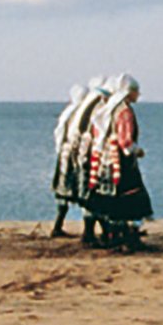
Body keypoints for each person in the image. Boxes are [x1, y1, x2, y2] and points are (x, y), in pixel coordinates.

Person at [84, 73, 152, 251]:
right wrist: (138, 151)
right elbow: (126, 142)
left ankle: (114, 236)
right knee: (132, 199)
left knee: (113, 200)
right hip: (122, 162)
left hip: (106, 160)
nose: (138, 95)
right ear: (129, 92)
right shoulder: (124, 112)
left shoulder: (109, 110)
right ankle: (129, 239)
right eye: (136, 92)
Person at [49, 78, 107, 239]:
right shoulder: (93, 109)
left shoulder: (72, 111)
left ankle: (59, 225)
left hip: (66, 154)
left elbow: (59, 133)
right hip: (80, 156)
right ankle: (90, 232)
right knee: (88, 192)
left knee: (65, 192)